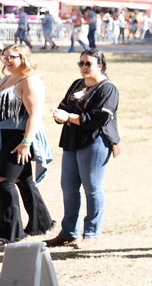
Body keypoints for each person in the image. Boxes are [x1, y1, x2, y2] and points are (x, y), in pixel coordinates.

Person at [46, 48, 120, 249]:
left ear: (100, 65)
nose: (84, 68)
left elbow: (99, 118)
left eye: (88, 64)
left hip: (95, 141)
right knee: (68, 187)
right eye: (81, 63)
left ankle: (92, 233)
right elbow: (64, 106)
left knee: (92, 188)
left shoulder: (108, 88)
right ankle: (68, 232)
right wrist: (59, 114)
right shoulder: (77, 84)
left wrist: (69, 117)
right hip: (72, 140)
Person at [0, 45, 54, 248]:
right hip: (1, 135)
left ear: (24, 58)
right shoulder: (5, 78)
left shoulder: (29, 80)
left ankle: (10, 233)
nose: (7, 60)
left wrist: (26, 142)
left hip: (18, 135)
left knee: (3, 180)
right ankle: (42, 223)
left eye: (12, 56)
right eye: (5, 56)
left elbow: (35, 114)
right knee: (23, 179)